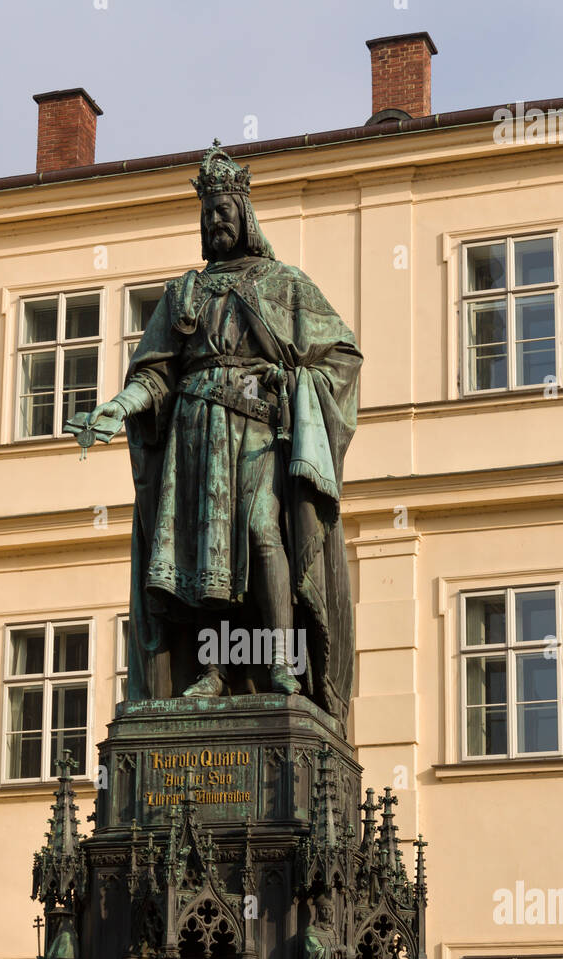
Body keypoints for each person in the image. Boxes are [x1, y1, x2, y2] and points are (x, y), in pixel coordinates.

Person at [67, 139, 362, 727]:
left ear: (245, 215)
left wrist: (293, 382)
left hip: (257, 428)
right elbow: (157, 373)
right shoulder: (185, 292)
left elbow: (342, 357)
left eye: (223, 211)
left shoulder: (286, 285)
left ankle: (280, 661)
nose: (214, 222)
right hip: (195, 436)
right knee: (204, 553)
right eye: (207, 214)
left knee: (261, 533)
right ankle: (212, 669)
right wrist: (118, 408)